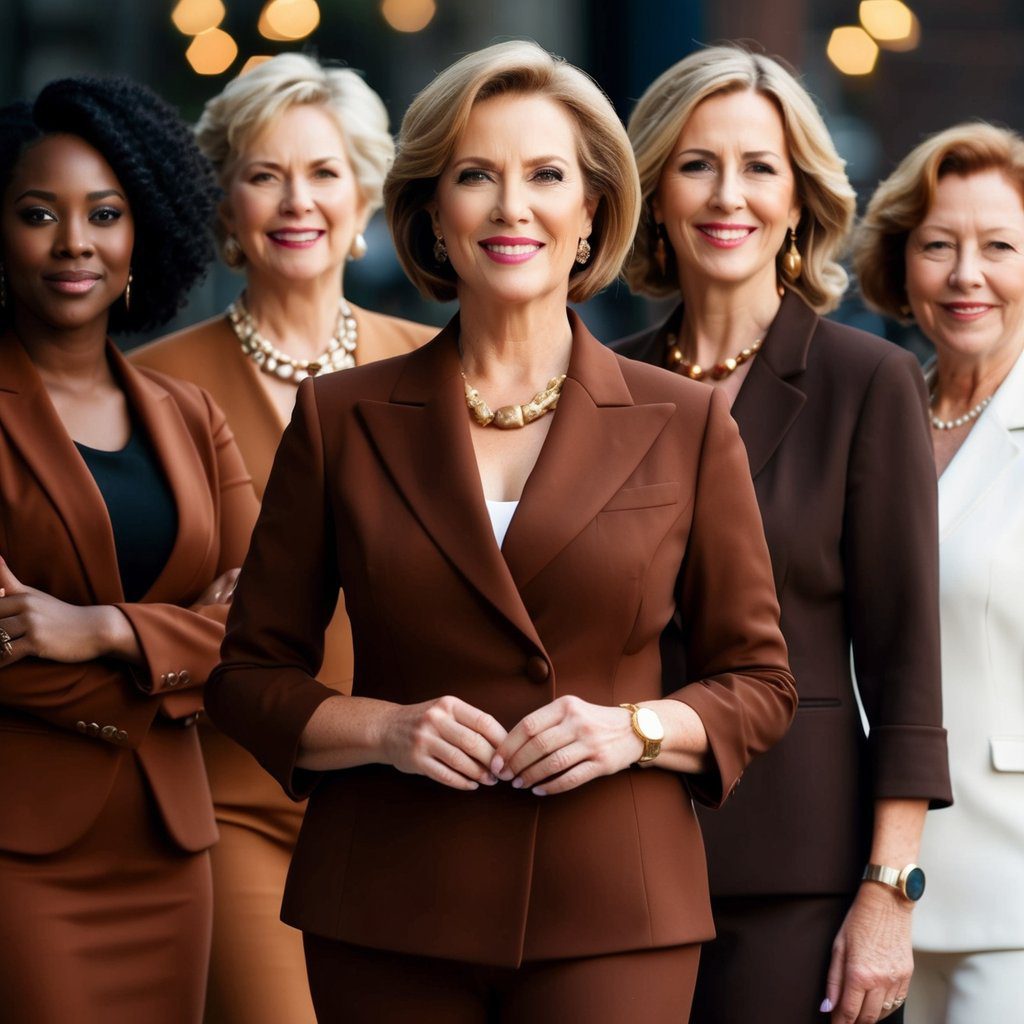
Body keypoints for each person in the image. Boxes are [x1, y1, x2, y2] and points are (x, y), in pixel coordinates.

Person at [206, 40, 797, 1023]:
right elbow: (248, 675)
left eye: (545, 176)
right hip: (386, 905)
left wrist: (637, 730)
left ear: (593, 213)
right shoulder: (340, 417)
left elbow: (759, 682)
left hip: (614, 906)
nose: (512, 207)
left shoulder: (683, 422)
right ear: (436, 215)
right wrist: (385, 729)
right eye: (476, 175)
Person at [612, 45, 952, 1024]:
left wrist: (888, 891)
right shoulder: (603, 383)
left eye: (760, 166)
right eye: (697, 163)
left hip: (794, 875)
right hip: (615, 855)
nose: (729, 196)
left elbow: (902, 661)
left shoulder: (866, 382)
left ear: (799, 199)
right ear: (655, 192)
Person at [130, 53, 434, 1024]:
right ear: (225, 207)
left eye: (322, 172)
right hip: (234, 803)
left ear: (364, 200)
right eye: (263, 174)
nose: (295, 200)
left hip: (417, 803)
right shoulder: (152, 387)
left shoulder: (436, 370)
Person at [0, 77, 257, 1023]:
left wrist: (103, 630)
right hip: (19, 853)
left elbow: (266, 630)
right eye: (38, 214)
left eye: (105, 214)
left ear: (142, 231)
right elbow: (6, 655)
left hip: (169, 847)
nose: (75, 243)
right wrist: (186, 639)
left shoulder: (189, 416)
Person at [854, 122, 1024, 1024]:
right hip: (852, 887)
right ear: (898, 261)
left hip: (1011, 895)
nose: (967, 275)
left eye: (999, 246)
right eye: (938, 245)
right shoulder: (870, 410)